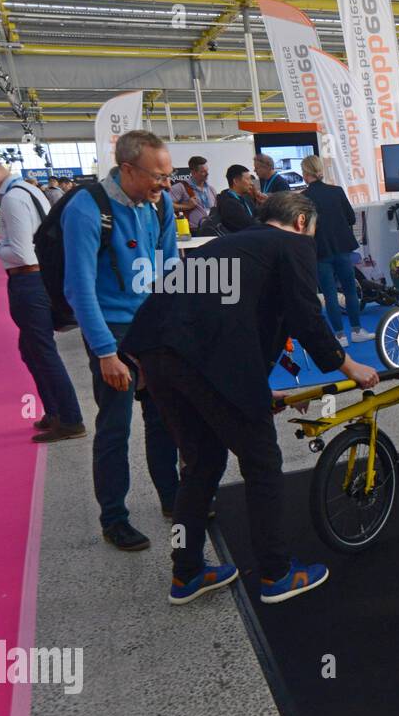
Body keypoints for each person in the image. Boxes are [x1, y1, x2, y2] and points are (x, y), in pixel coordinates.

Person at [121, 191, 380, 605]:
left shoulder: (227, 245)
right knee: (261, 461)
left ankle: (186, 572)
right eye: (311, 233)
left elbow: (227, 320)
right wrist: (348, 365)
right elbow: (304, 315)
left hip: (155, 354)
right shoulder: (290, 244)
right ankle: (276, 573)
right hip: (201, 362)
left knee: (200, 464)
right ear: (300, 223)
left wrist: (256, 388)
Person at [62, 129, 181, 550]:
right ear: (127, 169)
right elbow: (78, 288)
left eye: (169, 176)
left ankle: (173, 497)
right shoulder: (87, 208)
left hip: (151, 329)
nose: (165, 185)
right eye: (157, 176)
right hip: (111, 333)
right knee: (114, 428)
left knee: (164, 418)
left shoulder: (160, 203)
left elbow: (170, 268)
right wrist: (106, 352)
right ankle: (114, 518)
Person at [0, 148, 86, 442]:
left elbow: (21, 253)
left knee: (42, 350)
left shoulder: (13, 198)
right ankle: (55, 411)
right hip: (41, 277)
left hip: (28, 280)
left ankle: (70, 418)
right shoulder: (28, 190)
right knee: (31, 349)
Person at [301, 155, 372, 346]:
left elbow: (303, 227)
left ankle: (340, 336)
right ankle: (357, 330)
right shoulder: (337, 191)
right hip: (342, 248)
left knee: (330, 294)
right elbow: (351, 218)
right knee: (350, 289)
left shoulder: (303, 198)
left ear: (305, 173)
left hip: (319, 251)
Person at [170, 155, 218, 231]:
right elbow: (166, 205)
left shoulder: (211, 189)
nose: (207, 174)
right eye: (203, 172)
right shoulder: (181, 187)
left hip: (212, 230)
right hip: (192, 233)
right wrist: (187, 206)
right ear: (193, 172)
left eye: (207, 171)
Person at [217, 164, 258, 233]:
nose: (251, 183)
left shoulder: (246, 197)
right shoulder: (228, 204)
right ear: (236, 181)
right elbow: (247, 225)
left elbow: (257, 215)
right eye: (247, 179)